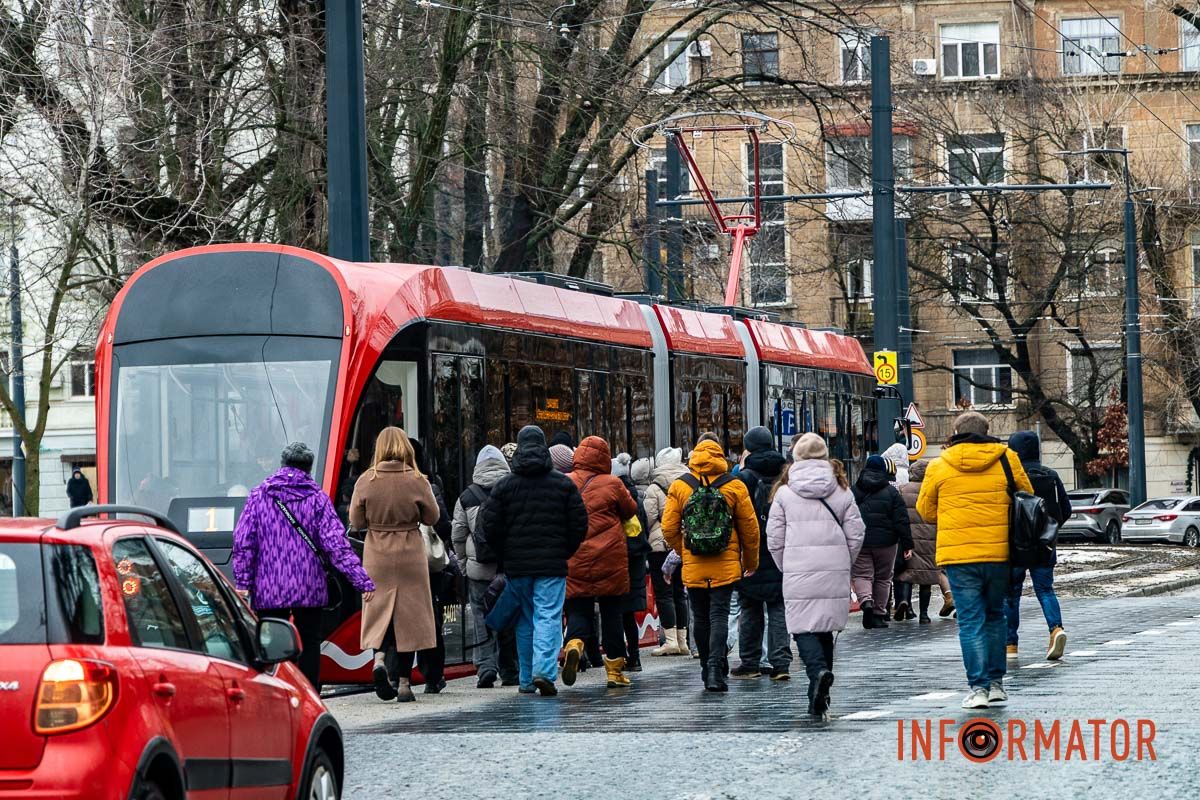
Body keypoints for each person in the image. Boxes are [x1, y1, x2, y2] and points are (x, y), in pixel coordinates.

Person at [233, 442, 375, 690]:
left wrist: (243, 582)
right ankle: (308, 693)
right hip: (309, 584)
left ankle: (275, 689)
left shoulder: (259, 495)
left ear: (283, 464)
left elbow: (244, 541)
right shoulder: (317, 498)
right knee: (309, 641)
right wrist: (361, 581)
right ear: (309, 468)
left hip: (269, 586)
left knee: (272, 640)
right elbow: (337, 545)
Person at [917, 412, 1033, 710]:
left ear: (955, 431)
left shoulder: (939, 465)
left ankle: (978, 687)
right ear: (987, 431)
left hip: (958, 556)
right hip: (999, 553)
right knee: (995, 615)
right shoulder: (1007, 459)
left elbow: (926, 511)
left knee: (970, 621)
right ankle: (996, 685)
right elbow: (1027, 497)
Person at [480, 425, 588, 696]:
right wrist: (564, 550)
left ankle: (527, 678)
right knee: (548, 616)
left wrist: (504, 553)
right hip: (552, 565)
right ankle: (544, 671)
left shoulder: (504, 487)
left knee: (525, 621)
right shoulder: (563, 485)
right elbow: (579, 524)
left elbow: (488, 525)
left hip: (517, 568)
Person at [767, 434, 865, 718]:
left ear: (795, 457)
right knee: (825, 627)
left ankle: (817, 674)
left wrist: (785, 564)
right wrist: (845, 560)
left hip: (797, 566)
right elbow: (857, 533)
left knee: (802, 626)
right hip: (835, 566)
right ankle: (820, 691)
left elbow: (774, 538)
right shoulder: (843, 490)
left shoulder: (784, 493)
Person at [351, 427, 442, 703]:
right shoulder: (417, 479)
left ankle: (378, 659)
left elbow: (356, 522)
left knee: (379, 613)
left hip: (377, 553)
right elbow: (432, 517)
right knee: (409, 618)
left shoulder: (367, 480)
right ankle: (404, 683)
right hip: (410, 554)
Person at [662, 434, 758, 692]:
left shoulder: (680, 486)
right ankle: (717, 667)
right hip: (725, 563)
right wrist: (750, 562)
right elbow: (750, 530)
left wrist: (684, 551)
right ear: (720, 456)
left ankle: (706, 667)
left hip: (694, 562)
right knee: (719, 615)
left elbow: (668, 527)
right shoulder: (734, 485)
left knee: (701, 617)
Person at [562, 436, 638, 689]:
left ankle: (574, 644)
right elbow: (630, 510)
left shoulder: (566, 483)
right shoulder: (613, 483)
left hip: (575, 556)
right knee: (612, 614)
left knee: (578, 609)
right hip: (610, 558)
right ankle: (615, 673)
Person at [452, 445, 519, 689]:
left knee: (481, 615)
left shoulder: (467, 496)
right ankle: (510, 669)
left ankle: (486, 667)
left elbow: (458, 534)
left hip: (479, 569)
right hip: (508, 567)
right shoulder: (513, 488)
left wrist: (463, 564)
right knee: (510, 615)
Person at [1005, 431, 1072, 661]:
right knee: (1045, 589)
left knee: (1011, 594)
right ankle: (1056, 629)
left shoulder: (1010, 476)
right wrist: (1050, 529)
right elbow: (1066, 508)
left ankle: (1010, 645)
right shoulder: (1051, 476)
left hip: (1016, 545)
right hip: (1044, 545)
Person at [732, 426, 791, 681]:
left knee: (750, 607)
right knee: (778, 607)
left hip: (751, 551)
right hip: (782, 550)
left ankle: (750, 662)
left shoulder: (743, 477)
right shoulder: (785, 474)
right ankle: (781, 664)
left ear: (749, 447)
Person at [410, 437, 455, 695]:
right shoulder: (429, 483)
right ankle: (433, 675)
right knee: (430, 618)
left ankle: (398, 673)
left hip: (395, 561)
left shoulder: (377, 481)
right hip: (428, 563)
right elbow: (443, 524)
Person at [851, 455, 913, 629]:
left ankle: (866, 602)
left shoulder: (854, 490)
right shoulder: (892, 492)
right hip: (887, 543)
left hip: (861, 541)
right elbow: (901, 520)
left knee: (862, 574)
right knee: (883, 578)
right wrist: (907, 544)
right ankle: (878, 614)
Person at [641, 448, 690, 656]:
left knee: (664, 593)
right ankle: (683, 640)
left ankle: (670, 640)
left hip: (661, 545)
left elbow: (648, 517)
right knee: (680, 592)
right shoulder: (689, 483)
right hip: (684, 544)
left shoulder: (655, 487)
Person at [896, 460, 954, 623]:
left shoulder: (903, 490)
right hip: (930, 538)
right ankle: (924, 615)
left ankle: (904, 602)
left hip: (910, 537)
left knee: (908, 572)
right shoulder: (933, 491)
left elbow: (899, 515)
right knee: (926, 577)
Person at [616, 459, 652, 672]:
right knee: (629, 611)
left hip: (618, 558)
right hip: (637, 558)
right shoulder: (637, 497)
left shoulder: (614, 496)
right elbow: (644, 528)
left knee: (616, 611)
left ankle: (620, 656)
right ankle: (635, 656)